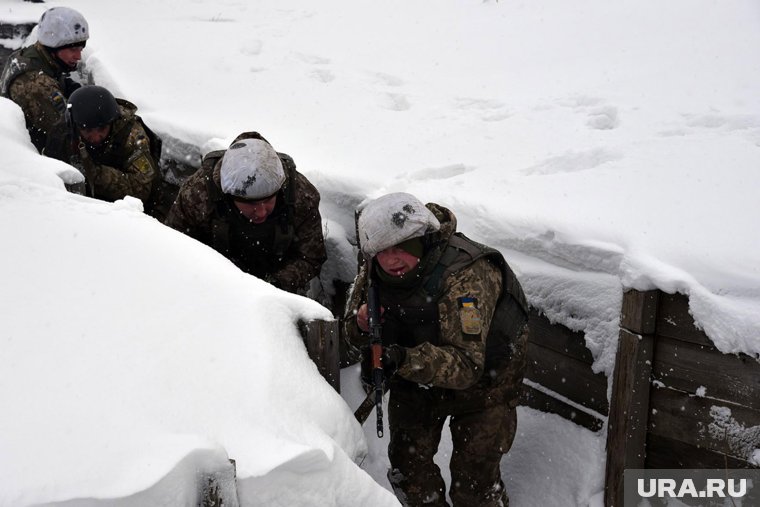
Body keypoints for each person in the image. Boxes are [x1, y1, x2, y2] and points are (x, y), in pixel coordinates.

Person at [343, 192, 529, 507]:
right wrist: (362, 325)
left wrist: (402, 358)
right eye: (383, 251)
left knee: (474, 486)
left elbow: (467, 366)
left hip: (486, 386)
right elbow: (351, 332)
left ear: (424, 240)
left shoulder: (467, 274)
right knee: (409, 472)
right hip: (417, 376)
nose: (393, 260)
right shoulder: (376, 271)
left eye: (403, 247)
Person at [165, 132, 327, 295]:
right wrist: (213, 279)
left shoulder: (301, 196)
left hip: (276, 289)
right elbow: (173, 248)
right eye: (252, 204)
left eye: (269, 200)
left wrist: (274, 284)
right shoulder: (197, 194)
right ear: (229, 195)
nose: (262, 211)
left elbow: (311, 258)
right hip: (212, 282)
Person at [45, 85, 166, 217]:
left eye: (102, 129)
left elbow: (140, 191)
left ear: (112, 122)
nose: (96, 137)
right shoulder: (65, 131)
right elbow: (48, 171)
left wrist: (95, 174)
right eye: (88, 131)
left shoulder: (132, 136)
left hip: (128, 210)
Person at [0, 6, 89, 152]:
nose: (78, 57)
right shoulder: (36, 85)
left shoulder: (35, 55)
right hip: (32, 160)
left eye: (81, 49)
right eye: (73, 49)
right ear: (54, 47)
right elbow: (71, 132)